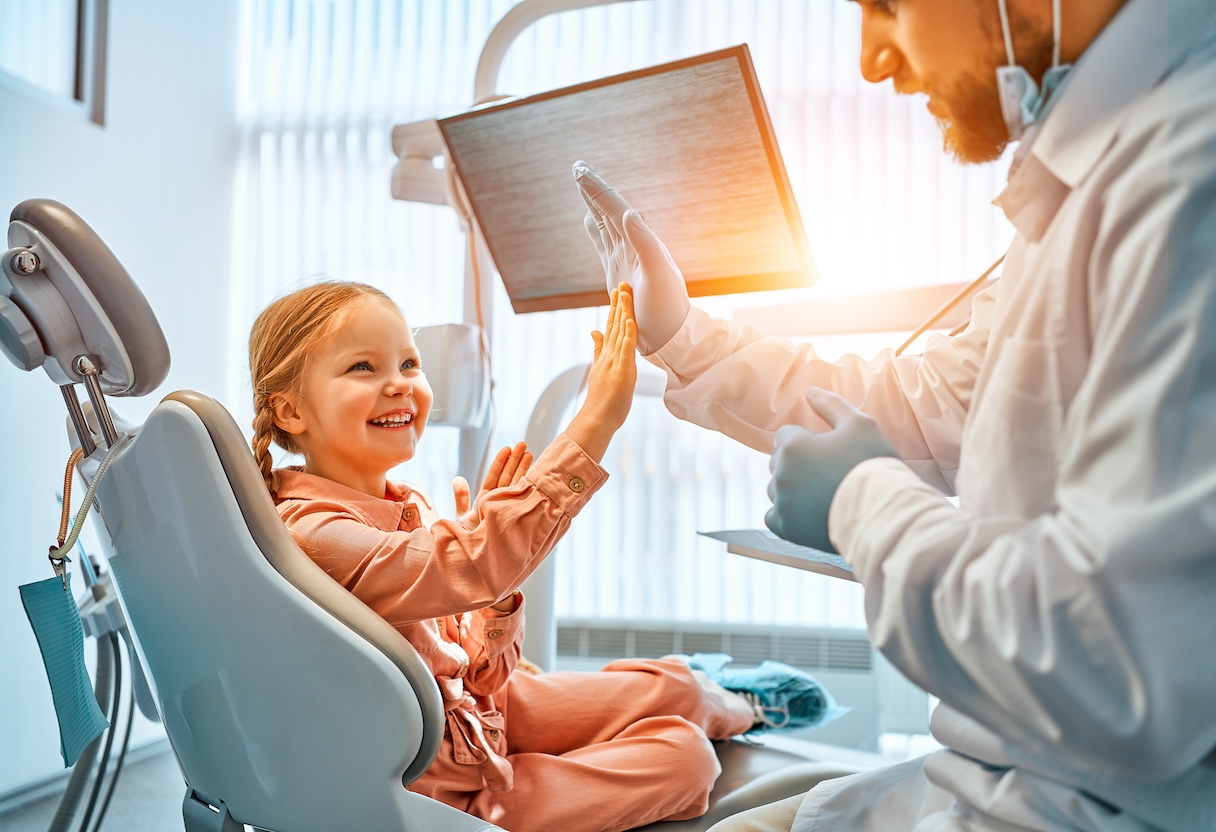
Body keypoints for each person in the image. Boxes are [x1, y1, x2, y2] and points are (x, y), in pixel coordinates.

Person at [574, 0, 1216, 829]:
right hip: (1014, 771)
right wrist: (685, 337)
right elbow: (931, 403)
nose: (875, 60)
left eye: (888, 6)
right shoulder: (1098, 173)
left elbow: (1125, 665)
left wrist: (861, 503)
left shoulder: (1184, 179)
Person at [245, 278, 832, 831]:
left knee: (678, 693)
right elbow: (460, 564)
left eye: (408, 363)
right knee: (686, 759)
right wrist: (594, 421)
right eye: (362, 367)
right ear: (291, 411)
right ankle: (725, 705)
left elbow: (480, 670)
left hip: (478, 712)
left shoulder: (410, 505)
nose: (399, 383)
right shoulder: (309, 533)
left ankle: (725, 696)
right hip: (441, 790)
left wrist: (494, 599)